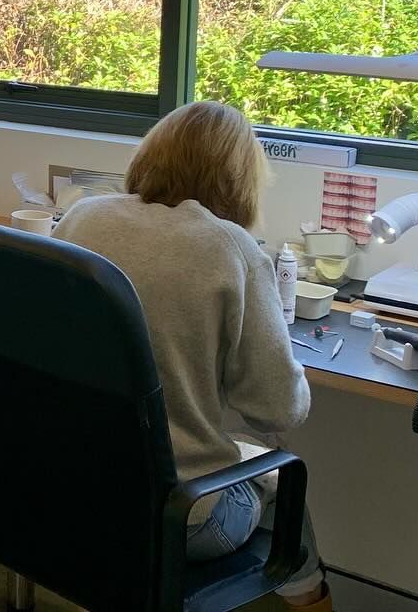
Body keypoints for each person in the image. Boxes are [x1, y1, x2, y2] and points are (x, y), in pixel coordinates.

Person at [54, 101, 330, 611]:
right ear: (238, 180)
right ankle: (310, 598)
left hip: (67, 487)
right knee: (279, 471)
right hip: (181, 516)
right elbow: (278, 410)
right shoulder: (233, 247)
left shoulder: (80, 218)